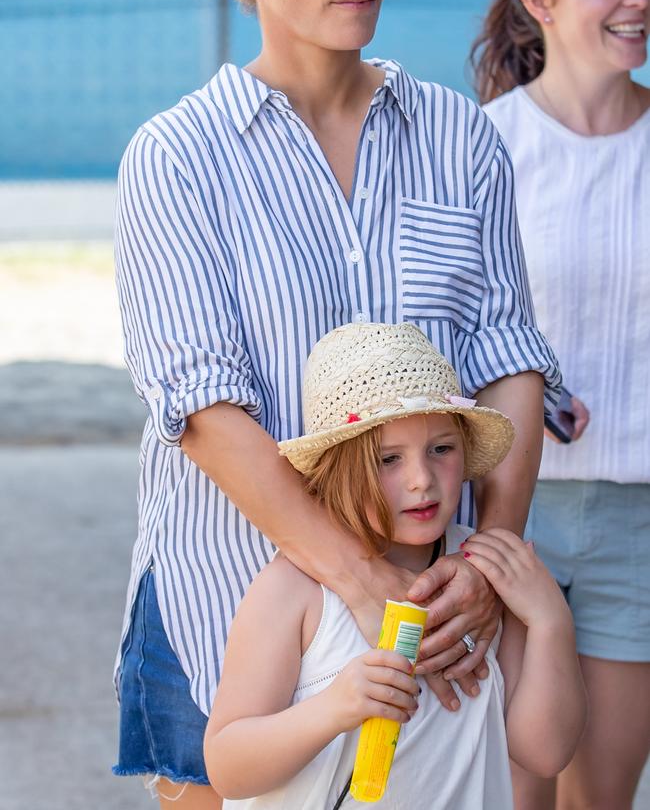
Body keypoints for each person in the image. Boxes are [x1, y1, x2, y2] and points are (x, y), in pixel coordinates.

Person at [112, 0, 560, 807]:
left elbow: (508, 361)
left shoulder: (457, 137)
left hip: (432, 605)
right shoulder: (178, 159)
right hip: (226, 593)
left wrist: (486, 565)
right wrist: (361, 586)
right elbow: (204, 408)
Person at [204, 322, 586, 809]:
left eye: (441, 449)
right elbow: (228, 768)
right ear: (339, 469)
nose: (421, 480)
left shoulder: (485, 575)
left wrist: (552, 623)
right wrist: (335, 707)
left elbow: (545, 752)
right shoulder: (297, 589)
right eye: (389, 459)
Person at [472, 0, 650, 810]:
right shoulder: (482, 149)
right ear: (539, 0)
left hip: (640, 524)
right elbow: (443, 330)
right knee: (513, 794)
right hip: (510, 514)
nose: (639, 0)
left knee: (602, 802)